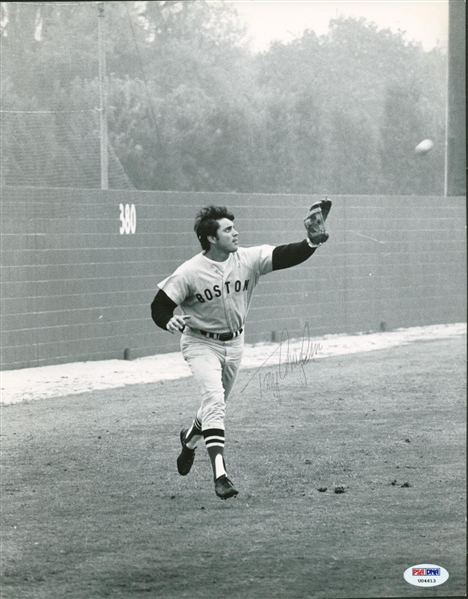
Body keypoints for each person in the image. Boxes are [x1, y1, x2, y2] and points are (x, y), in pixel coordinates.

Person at [151, 203, 330, 500]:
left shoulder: (246, 258)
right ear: (211, 238)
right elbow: (159, 305)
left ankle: (190, 440)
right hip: (200, 343)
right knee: (214, 400)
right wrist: (168, 320)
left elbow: (286, 255)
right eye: (228, 229)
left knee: (215, 404)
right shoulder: (190, 271)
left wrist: (311, 242)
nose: (236, 233)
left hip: (235, 343)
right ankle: (220, 474)